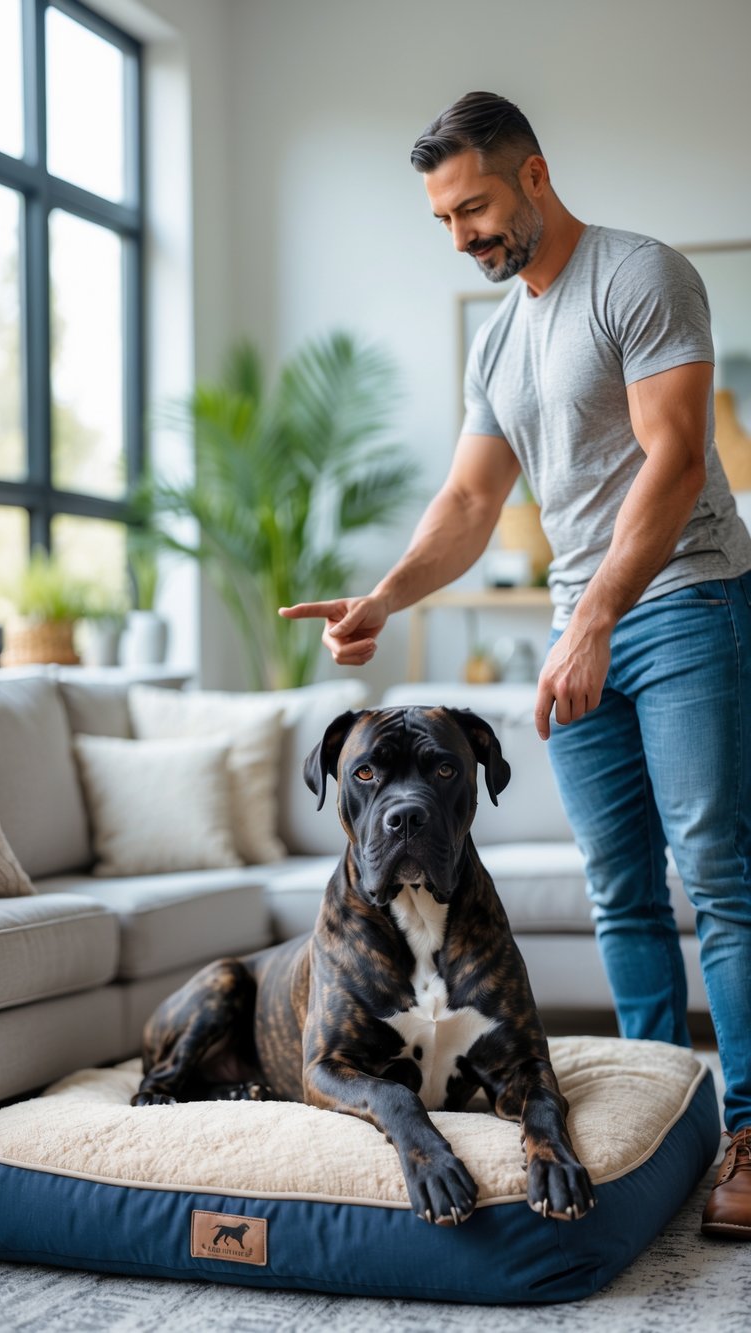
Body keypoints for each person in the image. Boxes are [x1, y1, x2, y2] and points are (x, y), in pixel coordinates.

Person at [279, 91, 751, 1237]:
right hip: (576, 624)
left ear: (534, 176)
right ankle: (664, 1107)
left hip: (684, 602)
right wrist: (385, 598)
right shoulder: (502, 336)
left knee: (721, 875)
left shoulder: (642, 277)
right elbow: (471, 499)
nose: (463, 235)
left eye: (475, 207)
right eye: (444, 219)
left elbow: (677, 460)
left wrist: (591, 620)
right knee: (620, 885)